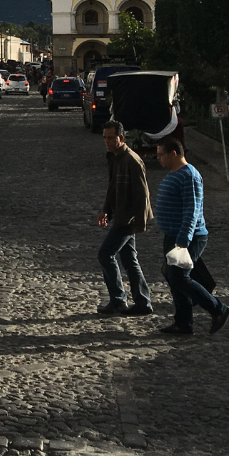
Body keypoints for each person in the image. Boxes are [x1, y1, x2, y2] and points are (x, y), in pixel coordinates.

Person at [154, 138, 229, 335]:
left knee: (179, 277)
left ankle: (218, 309)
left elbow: (192, 210)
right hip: (172, 235)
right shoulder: (175, 174)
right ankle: (183, 322)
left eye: (161, 154)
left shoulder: (189, 176)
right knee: (173, 278)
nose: (159, 159)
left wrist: (184, 239)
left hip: (188, 237)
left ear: (174, 153)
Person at [96, 122, 153, 316]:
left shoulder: (132, 160)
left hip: (127, 220)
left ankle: (118, 299)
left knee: (105, 254)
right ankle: (143, 302)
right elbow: (113, 187)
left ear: (121, 138)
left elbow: (142, 195)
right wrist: (106, 211)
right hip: (120, 216)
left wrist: (137, 224)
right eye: (105, 137)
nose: (107, 141)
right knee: (129, 259)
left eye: (111, 138)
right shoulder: (114, 158)